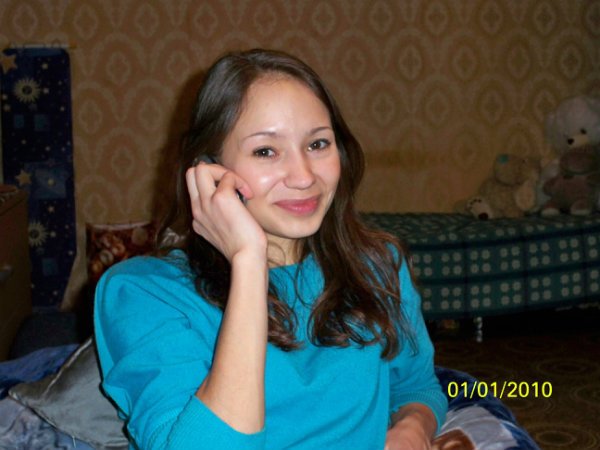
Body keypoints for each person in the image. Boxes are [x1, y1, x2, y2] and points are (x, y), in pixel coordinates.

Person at [94, 48, 448, 450]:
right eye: (266, 151)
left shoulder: (377, 266)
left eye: (318, 144)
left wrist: (413, 425)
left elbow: (416, 385)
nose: (303, 176)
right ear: (209, 170)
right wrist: (248, 262)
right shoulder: (142, 292)